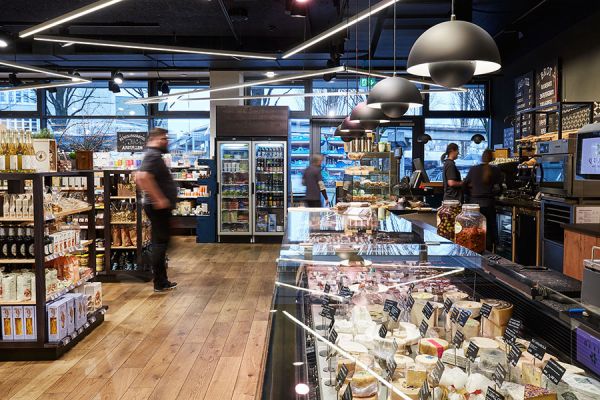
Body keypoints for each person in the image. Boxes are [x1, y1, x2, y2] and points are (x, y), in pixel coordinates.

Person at [136, 128, 178, 292]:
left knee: (160, 242)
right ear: (154, 139)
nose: (166, 141)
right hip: (157, 207)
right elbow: (142, 177)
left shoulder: (153, 155)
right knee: (160, 244)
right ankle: (160, 282)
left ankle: (161, 281)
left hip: (156, 207)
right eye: (163, 138)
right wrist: (158, 198)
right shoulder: (153, 155)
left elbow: (139, 176)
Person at [463, 149, 503, 251]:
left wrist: (470, 195)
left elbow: (464, 185)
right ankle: (492, 249)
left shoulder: (473, 169)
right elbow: (499, 188)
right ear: (492, 158)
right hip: (488, 203)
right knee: (491, 228)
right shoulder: (495, 170)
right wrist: (495, 194)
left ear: (482, 157)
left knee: (475, 230)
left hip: (474, 205)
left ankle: (475, 249)